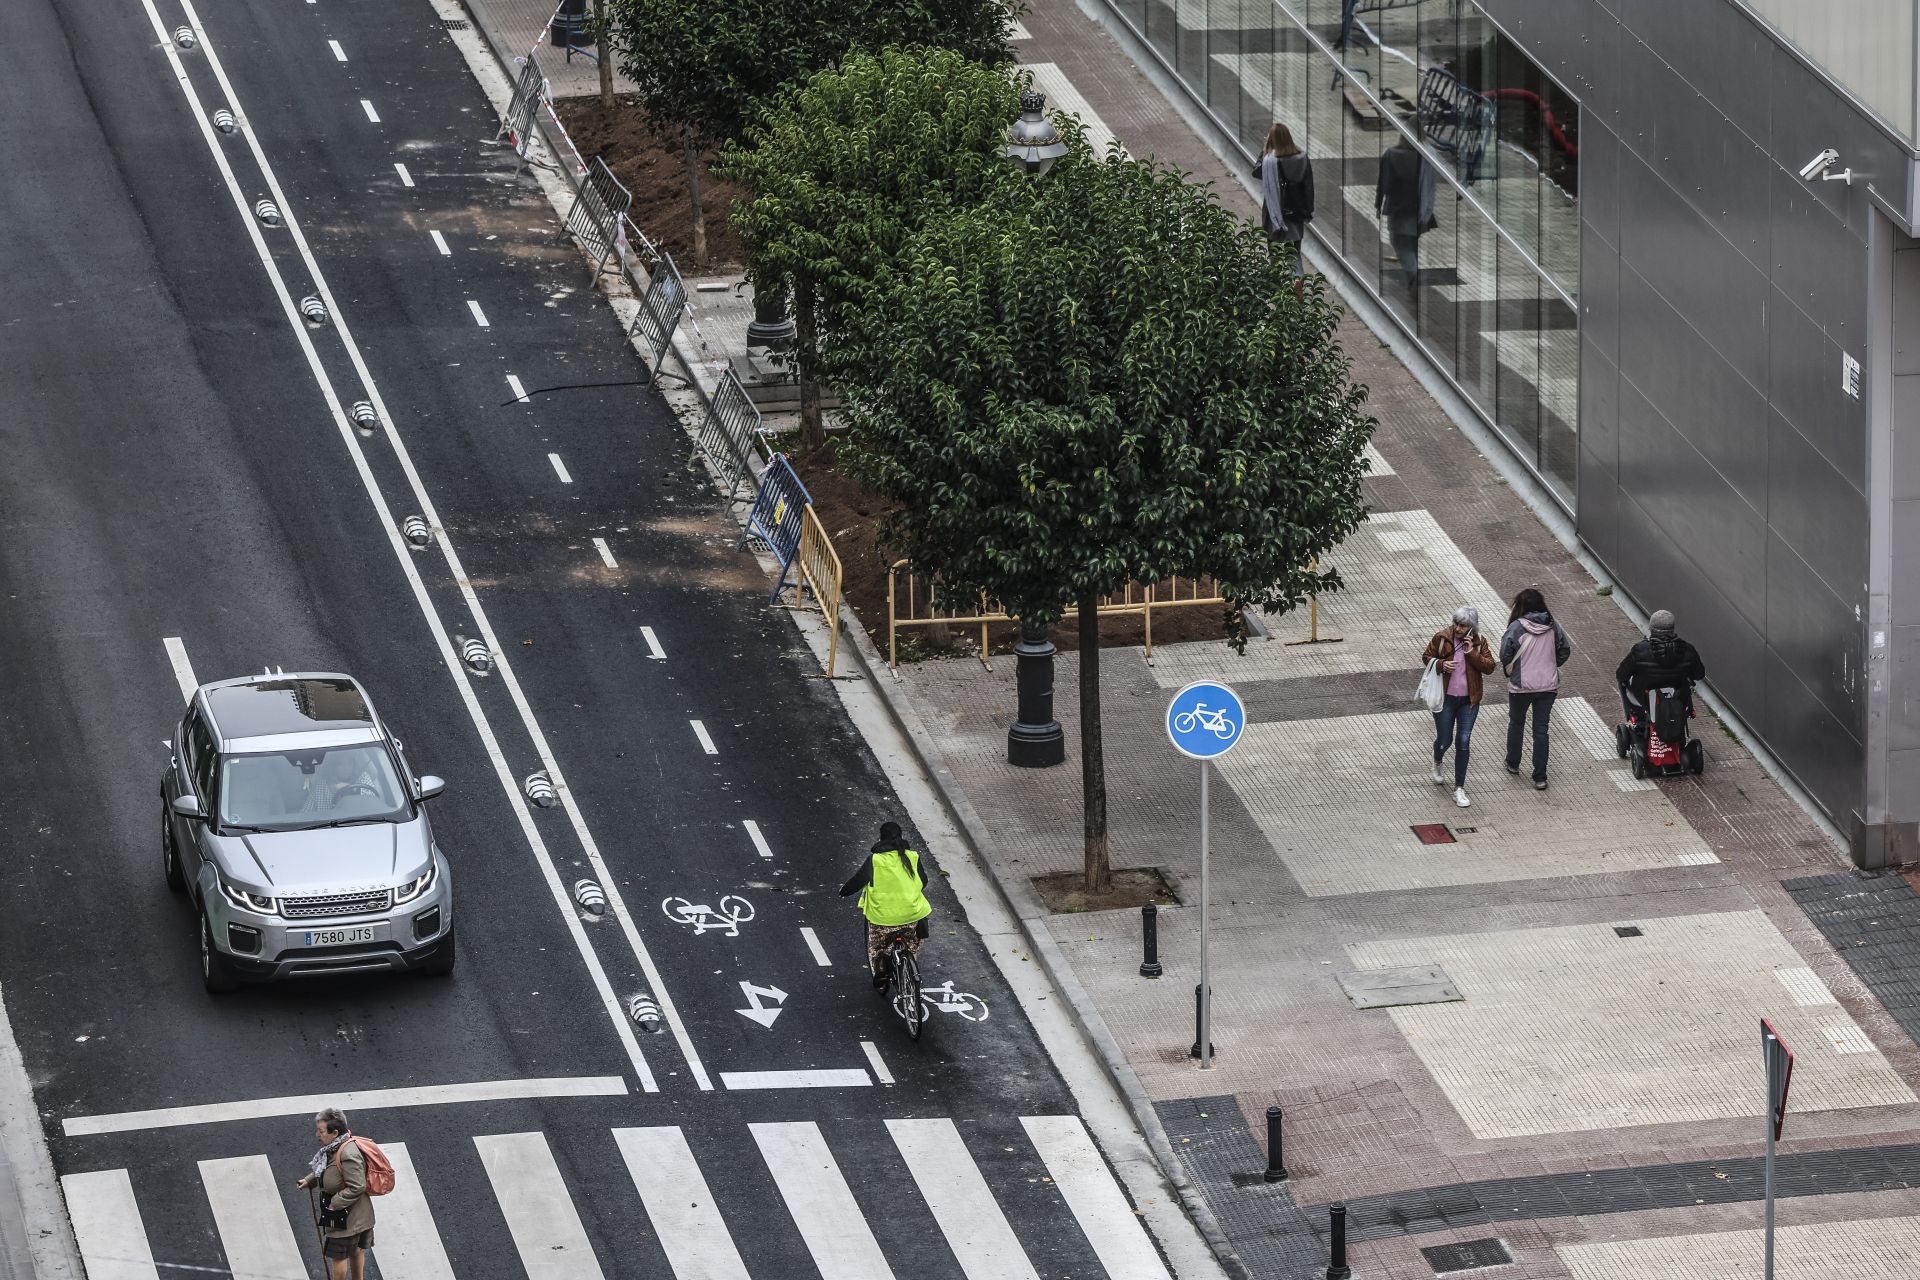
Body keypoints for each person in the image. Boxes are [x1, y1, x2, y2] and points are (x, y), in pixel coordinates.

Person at [839, 821, 931, 988]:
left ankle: (882, 971)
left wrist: (843, 892)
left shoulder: (875, 860)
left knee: (878, 948)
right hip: (913, 915)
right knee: (911, 945)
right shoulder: (912, 856)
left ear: (881, 838)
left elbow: (858, 881)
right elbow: (923, 881)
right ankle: (909, 966)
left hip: (882, 918)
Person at [1497, 587, 1572, 790]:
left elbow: (1505, 654)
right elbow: (1565, 649)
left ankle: (1513, 763)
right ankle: (1540, 776)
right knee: (1541, 730)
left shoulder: (1516, 627)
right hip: (1548, 687)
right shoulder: (1552, 625)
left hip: (1521, 686)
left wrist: (1514, 667)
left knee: (1516, 724)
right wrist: (1550, 664)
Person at [1422, 606, 1495, 807]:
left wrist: (1471, 652)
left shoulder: (1480, 643)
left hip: (1469, 701)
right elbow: (1426, 657)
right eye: (1456, 623)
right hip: (1445, 699)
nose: (1458, 628)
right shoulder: (1442, 638)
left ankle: (1459, 788)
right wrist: (1440, 665)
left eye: (1463, 625)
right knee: (1445, 739)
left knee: (1463, 740)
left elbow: (1489, 667)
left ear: (1472, 627)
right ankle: (1437, 758)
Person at [294, 1107, 373, 1279]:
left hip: (347, 1217)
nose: (317, 1134)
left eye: (321, 1131)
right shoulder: (335, 1147)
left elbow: (357, 1186)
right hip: (357, 1215)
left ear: (335, 1132)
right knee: (356, 1251)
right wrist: (310, 1180)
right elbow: (328, 1168)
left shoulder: (347, 1153)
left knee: (340, 1258)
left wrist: (334, 1203)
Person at [1376, 127, 1437, 293]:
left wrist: (1378, 205)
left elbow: (1384, 183)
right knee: (1411, 243)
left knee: (1398, 241)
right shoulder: (1424, 156)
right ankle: (1413, 276)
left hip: (1399, 208)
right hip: (1418, 208)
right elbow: (1430, 185)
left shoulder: (1392, 154)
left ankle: (1413, 274)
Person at [1616, 609, 1705, 722]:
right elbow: (1699, 674)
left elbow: (1621, 674)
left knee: (1623, 680)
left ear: (1651, 628)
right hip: (1678, 699)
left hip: (1644, 699)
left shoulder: (1640, 650)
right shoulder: (1688, 650)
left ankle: (1638, 718)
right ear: (1672, 628)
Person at [1253, 122, 1315, 282]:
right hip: (1295, 213)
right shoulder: (1302, 158)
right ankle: (1297, 283)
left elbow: (1256, 172)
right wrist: (1307, 211)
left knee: (1274, 254)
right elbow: (1308, 186)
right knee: (1294, 254)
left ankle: (1278, 289)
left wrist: (1264, 149)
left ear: (1272, 140)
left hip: (1275, 214)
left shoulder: (1269, 160)